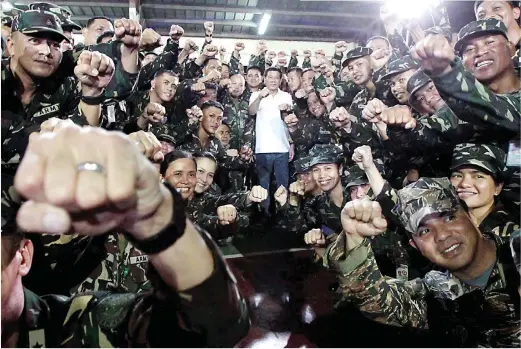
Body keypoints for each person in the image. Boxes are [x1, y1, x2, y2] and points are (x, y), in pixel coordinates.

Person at [1, 124, 250, 347]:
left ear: (22, 257)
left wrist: (159, 221)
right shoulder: (91, 233)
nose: (187, 181)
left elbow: (216, 325)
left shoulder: (72, 329)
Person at [323, 178, 520, 347]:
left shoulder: (515, 251)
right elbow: (375, 300)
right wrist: (354, 238)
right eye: (424, 231)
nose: (442, 235)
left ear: (471, 217)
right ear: (415, 246)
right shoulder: (435, 293)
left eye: (449, 217)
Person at [249, 67, 294, 216]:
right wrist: (260, 97)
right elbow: (251, 112)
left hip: (282, 147)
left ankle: (284, 216)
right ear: (265, 79)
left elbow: (290, 123)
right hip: (262, 148)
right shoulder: (256, 94)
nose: (273, 80)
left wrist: (291, 144)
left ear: (280, 80)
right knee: (263, 186)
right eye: (270, 77)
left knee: (283, 185)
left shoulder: (286, 96)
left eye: (276, 77)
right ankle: (265, 216)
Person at [450, 143, 519, 236]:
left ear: (497, 187)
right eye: (457, 176)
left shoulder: (514, 231)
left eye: (478, 176)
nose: (464, 184)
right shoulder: (436, 223)